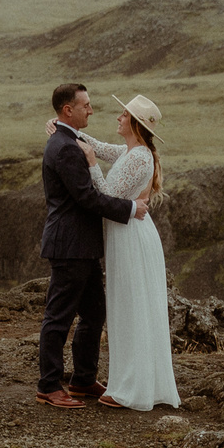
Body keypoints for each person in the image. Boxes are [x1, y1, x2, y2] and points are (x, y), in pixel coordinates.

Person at [63, 94, 179, 410]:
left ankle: (130, 388)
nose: (118, 118)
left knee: (130, 309)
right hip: (128, 234)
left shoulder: (140, 157)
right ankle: (135, 382)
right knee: (132, 308)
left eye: (123, 114)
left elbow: (107, 195)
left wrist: (89, 165)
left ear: (135, 124)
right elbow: (100, 147)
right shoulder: (132, 152)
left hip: (131, 238)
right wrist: (67, 129)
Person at [35, 83, 142, 407]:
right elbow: (87, 197)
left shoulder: (71, 139)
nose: (91, 110)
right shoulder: (66, 147)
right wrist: (131, 208)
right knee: (59, 317)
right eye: (86, 105)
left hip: (82, 246)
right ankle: (49, 386)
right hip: (70, 245)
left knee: (94, 314)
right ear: (68, 110)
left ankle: (82, 379)